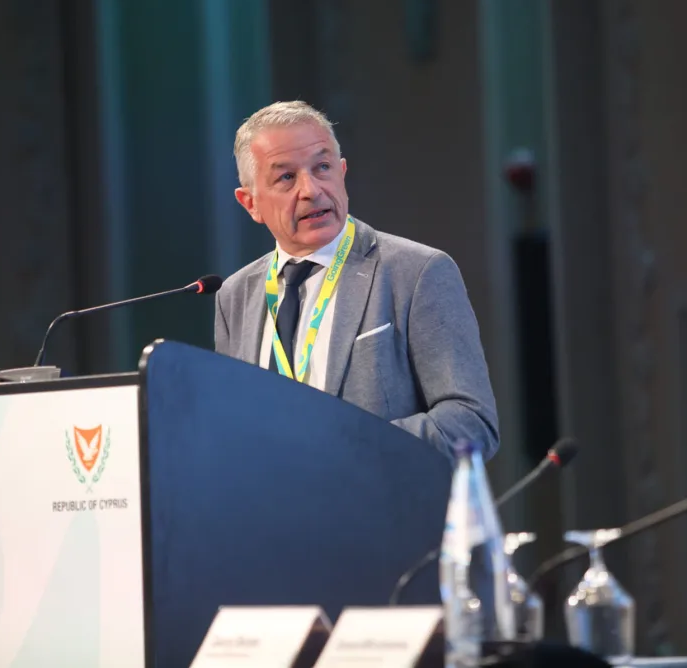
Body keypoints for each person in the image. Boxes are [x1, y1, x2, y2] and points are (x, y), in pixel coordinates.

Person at [214, 100, 499, 461]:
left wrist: (348, 445)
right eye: (286, 177)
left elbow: (472, 423)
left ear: (342, 172)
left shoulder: (415, 272)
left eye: (322, 167)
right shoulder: (235, 296)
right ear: (250, 203)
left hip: (382, 511)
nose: (311, 189)